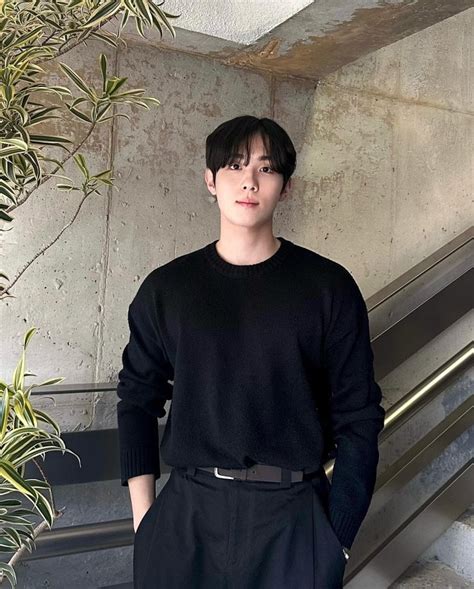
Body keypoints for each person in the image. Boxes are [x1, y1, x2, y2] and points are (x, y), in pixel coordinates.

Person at [116, 115, 386, 588]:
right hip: (185, 518)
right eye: (235, 165)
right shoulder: (168, 288)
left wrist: (337, 540)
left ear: (286, 187)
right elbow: (137, 398)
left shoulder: (328, 288)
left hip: (295, 519)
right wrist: (146, 524)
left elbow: (359, 418)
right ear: (210, 180)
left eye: (266, 168)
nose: (249, 181)